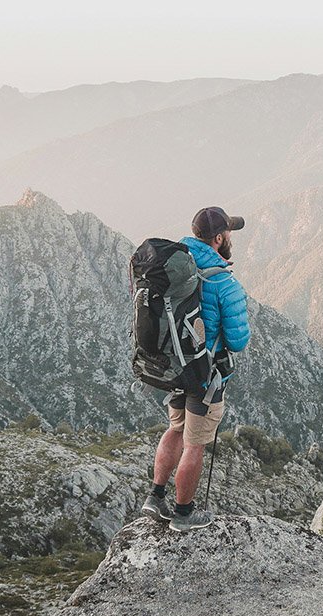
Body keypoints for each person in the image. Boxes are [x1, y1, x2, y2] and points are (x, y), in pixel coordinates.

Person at [142, 206, 250, 532]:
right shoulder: (223, 281)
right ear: (219, 239)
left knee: (175, 430)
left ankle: (155, 496)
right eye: (229, 232)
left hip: (172, 367)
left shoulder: (174, 267)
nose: (230, 237)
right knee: (195, 443)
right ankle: (184, 513)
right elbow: (237, 340)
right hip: (204, 376)